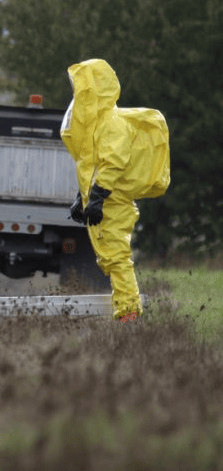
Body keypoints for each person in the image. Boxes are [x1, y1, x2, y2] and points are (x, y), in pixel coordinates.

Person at [61, 58, 169, 322]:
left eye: (84, 87)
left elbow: (113, 163)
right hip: (105, 199)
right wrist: (82, 197)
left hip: (115, 200)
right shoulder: (95, 124)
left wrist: (96, 197)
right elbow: (90, 165)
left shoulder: (112, 123)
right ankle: (125, 308)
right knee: (110, 258)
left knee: (117, 257)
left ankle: (128, 311)